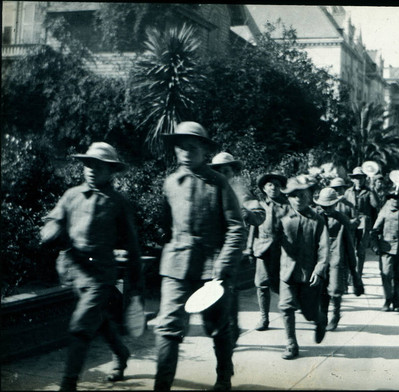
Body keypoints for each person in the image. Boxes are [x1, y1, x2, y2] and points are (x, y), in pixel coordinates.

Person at [40, 142, 143, 392]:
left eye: (100, 166)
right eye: (89, 164)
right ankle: (121, 353)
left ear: (111, 170)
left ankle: (68, 383)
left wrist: (137, 286)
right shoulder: (71, 195)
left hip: (100, 275)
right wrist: (50, 231)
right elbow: (53, 220)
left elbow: (132, 245)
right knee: (99, 320)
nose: (92, 170)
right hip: (72, 271)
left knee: (80, 325)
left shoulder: (118, 203)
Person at [154, 122, 245, 390]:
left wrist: (224, 263)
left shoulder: (218, 184)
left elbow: (236, 228)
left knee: (217, 327)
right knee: (168, 328)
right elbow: (164, 224)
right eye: (181, 144)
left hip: (211, 269)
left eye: (193, 144)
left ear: (204, 149)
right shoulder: (170, 183)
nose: (186, 150)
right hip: (176, 267)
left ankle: (224, 376)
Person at [209, 152, 265, 344]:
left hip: (232, 249)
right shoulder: (209, 188)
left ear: (233, 172)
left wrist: (243, 211)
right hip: (211, 250)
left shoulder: (239, 190)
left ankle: (231, 330)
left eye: (226, 170)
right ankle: (225, 329)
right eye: (217, 170)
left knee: (227, 292)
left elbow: (259, 216)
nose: (222, 174)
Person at [278, 175, 329, 359]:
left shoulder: (318, 220)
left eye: (302, 194)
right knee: (286, 306)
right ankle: (291, 343)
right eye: (294, 195)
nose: (298, 198)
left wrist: (320, 267)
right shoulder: (282, 218)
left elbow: (324, 247)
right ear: (288, 197)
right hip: (287, 272)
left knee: (309, 313)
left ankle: (320, 318)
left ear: (309, 195)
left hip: (309, 273)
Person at [314, 187, 364, 331]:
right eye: (324, 206)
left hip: (337, 257)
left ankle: (335, 315)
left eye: (330, 206)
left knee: (335, 289)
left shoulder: (342, 219)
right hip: (319, 257)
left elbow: (348, 243)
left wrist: (352, 266)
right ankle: (323, 315)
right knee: (321, 288)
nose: (327, 209)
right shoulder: (316, 217)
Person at [251, 172, 289, 331]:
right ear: (264, 188)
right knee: (262, 285)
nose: (273, 188)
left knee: (283, 285)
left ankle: (288, 315)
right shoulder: (259, 205)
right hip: (263, 250)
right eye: (270, 185)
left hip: (283, 251)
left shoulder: (287, 205)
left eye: (277, 185)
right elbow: (254, 226)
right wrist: (249, 248)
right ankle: (264, 318)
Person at [344, 167, 380, 276]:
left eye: (361, 178)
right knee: (349, 249)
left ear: (364, 179)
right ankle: (350, 274)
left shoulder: (368, 191)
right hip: (350, 222)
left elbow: (375, 205)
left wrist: (372, 190)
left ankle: (358, 274)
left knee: (360, 250)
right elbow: (344, 208)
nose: (358, 180)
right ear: (352, 179)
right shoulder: (348, 192)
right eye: (356, 178)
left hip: (364, 224)